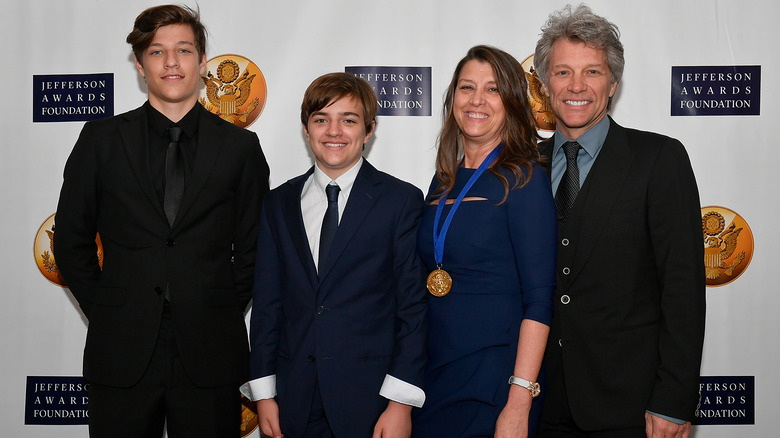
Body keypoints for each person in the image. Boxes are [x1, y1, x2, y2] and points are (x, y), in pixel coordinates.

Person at [52, 5, 269, 437]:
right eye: (157, 52)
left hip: (209, 351)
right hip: (120, 349)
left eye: (184, 50)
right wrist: (111, 309)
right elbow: (71, 240)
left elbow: (255, 250)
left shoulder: (240, 147)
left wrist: (218, 309)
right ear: (140, 64)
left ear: (203, 62)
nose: (171, 62)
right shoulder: (100, 139)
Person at [532, 5, 706, 438]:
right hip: (537, 404)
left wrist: (672, 401)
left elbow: (683, 289)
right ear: (543, 83)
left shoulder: (659, 159)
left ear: (612, 83)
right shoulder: (523, 168)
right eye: (562, 72)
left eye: (592, 72)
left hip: (631, 409)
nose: (576, 86)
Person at [241, 72, 428, 438]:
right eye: (321, 119)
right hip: (294, 401)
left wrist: (400, 402)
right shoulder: (278, 203)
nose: (334, 131)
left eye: (349, 120)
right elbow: (267, 305)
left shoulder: (400, 201)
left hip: (372, 402)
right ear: (306, 128)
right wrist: (264, 394)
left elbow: (413, 308)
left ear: (369, 130)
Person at [412, 45, 558, 438]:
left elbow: (539, 300)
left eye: (492, 89)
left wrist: (520, 400)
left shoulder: (525, 180)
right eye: (466, 87)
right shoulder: (442, 180)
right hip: (436, 371)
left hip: (495, 378)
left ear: (511, 102)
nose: (477, 100)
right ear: (452, 99)